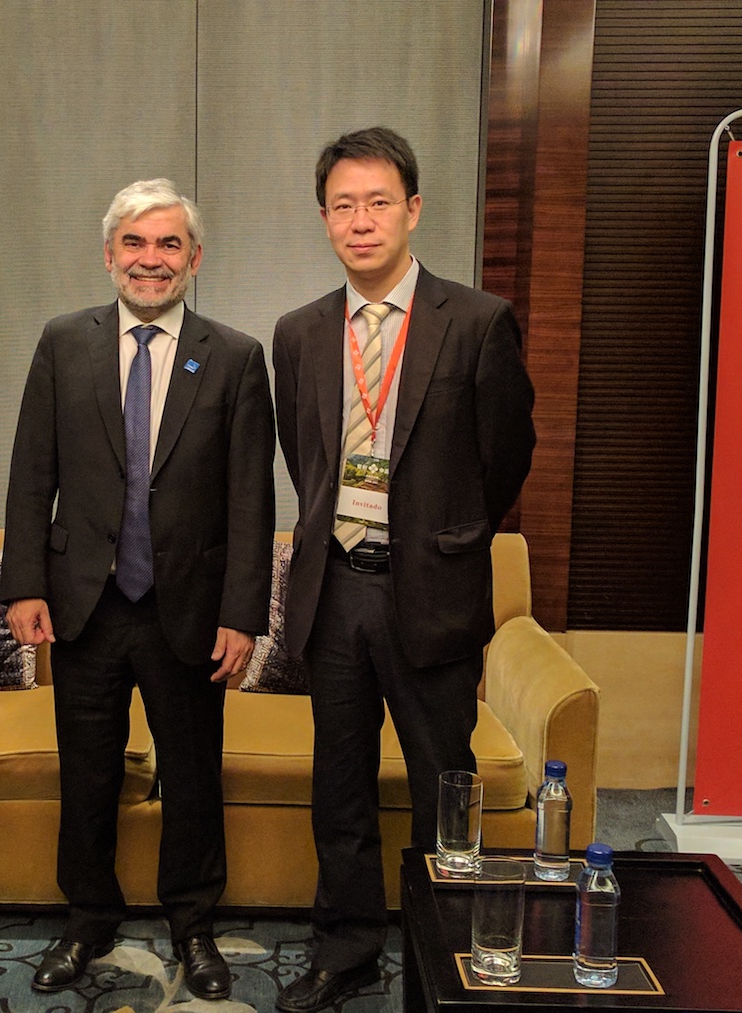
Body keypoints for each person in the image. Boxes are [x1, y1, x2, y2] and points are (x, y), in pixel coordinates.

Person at [270, 127, 536, 1012]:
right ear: (323, 218)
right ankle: (345, 948)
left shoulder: (478, 321)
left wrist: (444, 535)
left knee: (441, 785)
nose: (361, 221)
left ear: (413, 210)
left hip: (432, 589)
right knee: (339, 785)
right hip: (336, 586)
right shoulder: (300, 332)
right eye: (343, 205)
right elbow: (304, 456)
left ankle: (442, 952)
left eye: (378, 202)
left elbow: (506, 455)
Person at [2, 179, 274, 1001]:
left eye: (167, 245)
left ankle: (193, 923)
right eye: (135, 243)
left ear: (194, 258)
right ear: (109, 253)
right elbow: (31, 471)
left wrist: (242, 614)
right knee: (87, 774)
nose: (150, 260)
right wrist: (23, 584)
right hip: (83, 604)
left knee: (192, 775)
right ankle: (87, 918)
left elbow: (251, 499)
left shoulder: (234, 356)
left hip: (186, 607)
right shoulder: (63, 341)